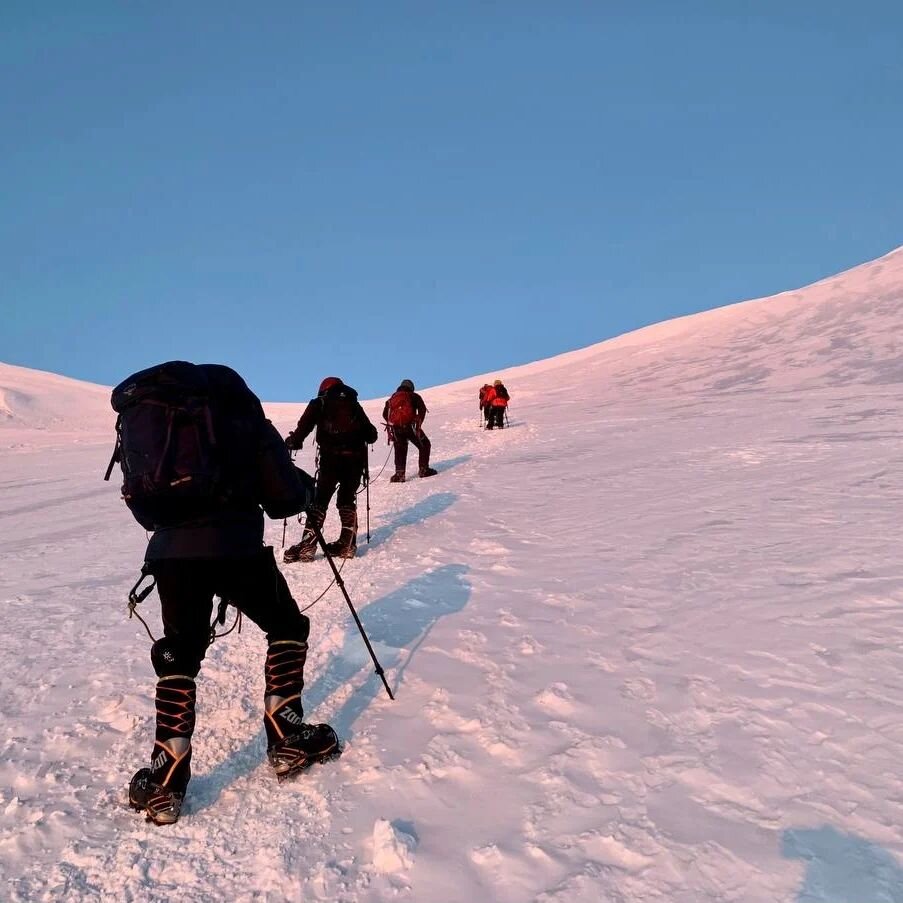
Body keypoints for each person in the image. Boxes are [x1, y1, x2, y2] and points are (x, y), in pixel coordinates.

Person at [107, 361, 337, 825]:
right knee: (286, 625)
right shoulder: (240, 413)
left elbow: (146, 503)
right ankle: (286, 732)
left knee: (180, 653)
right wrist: (301, 491)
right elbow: (284, 499)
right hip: (234, 547)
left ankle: (165, 780)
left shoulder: (155, 418)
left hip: (171, 553)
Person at [283, 377, 378, 563]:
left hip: (330, 459)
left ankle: (308, 546)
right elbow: (372, 435)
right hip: (355, 461)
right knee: (346, 499)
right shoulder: (354, 404)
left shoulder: (320, 402)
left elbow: (303, 429)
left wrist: (293, 441)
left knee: (320, 500)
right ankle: (347, 545)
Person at [382, 379, 438, 482]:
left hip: (396, 429)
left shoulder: (392, 398)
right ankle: (424, 469)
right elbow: (422, 409)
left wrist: (394, 423)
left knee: (400, 448)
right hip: (410, 427)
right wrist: (418, 422)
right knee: (424, 444)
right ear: (411, 388)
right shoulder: (414, 396)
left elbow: (385, 414)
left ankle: (399, 474)